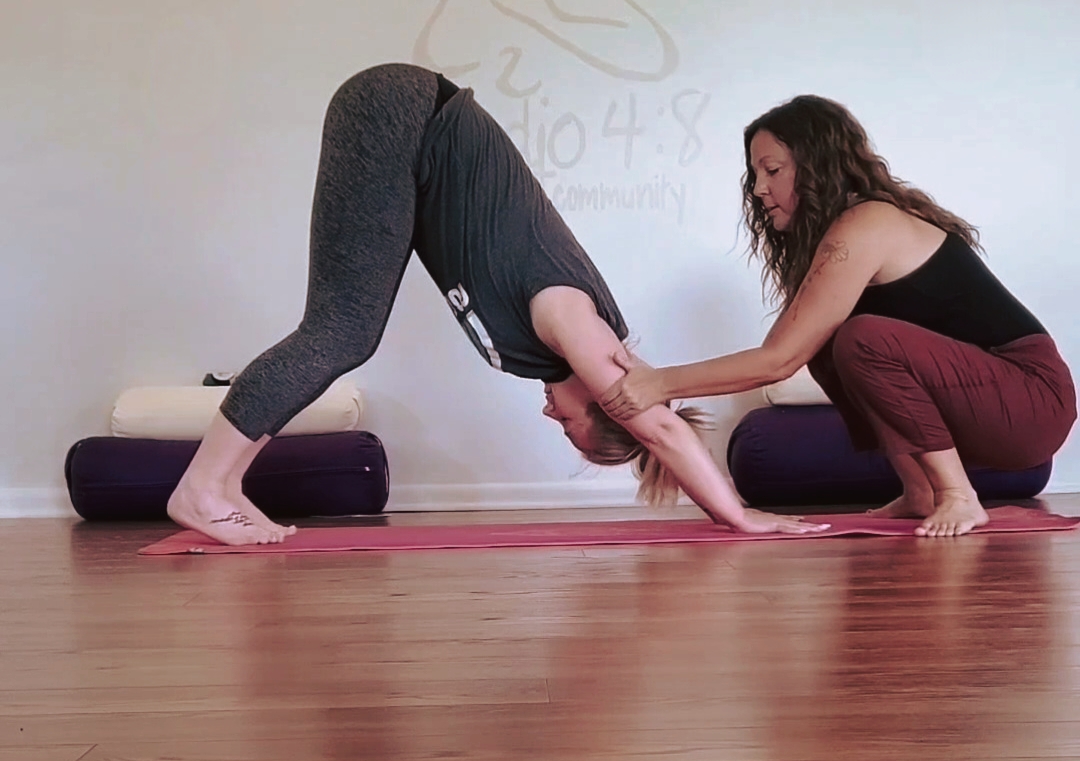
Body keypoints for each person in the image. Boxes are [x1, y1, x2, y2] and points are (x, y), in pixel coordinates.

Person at [167, 65, 826, 546]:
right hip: (403, 115)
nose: (549, 412)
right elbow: (661, 428)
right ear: (606, 398)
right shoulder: (575, 323)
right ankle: (203, 487)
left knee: (346, 331)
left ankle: (221, 486)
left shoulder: (546, 346)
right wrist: (738, 514)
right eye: (569, 423)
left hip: (408, 133)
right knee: (341, 331)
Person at [600, 94, 1075, 538]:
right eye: (755, 174)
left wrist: (661, 384)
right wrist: (659, 383)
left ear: (817, 166)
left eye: (772, 170)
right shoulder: (841, 232)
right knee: (830, 340)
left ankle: (958, 496)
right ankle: (922, 491)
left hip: (1032, 398)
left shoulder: (869, 223)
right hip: (990, 398)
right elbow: (789, 347)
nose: (759, 189)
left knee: (862, 338)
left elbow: (778, 360)